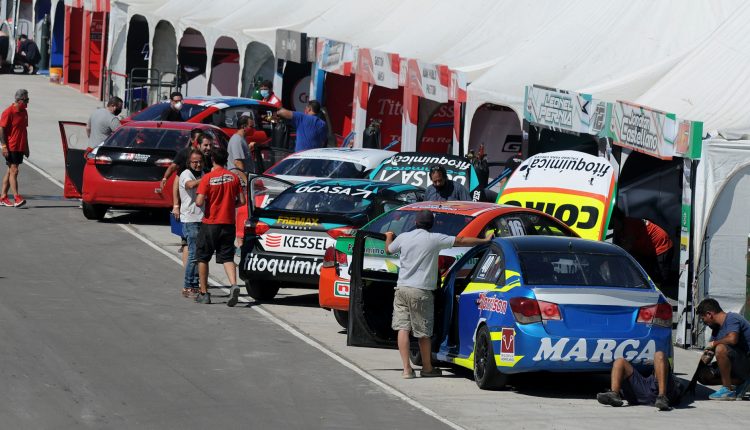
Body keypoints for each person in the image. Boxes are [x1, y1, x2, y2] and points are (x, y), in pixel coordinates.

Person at [384, 210, 492, 378]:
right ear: (431, 224)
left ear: (415, 222)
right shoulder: (434, 239)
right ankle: (427, 369)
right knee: (423, 333)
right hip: (421, 291)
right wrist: (484, 240)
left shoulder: (404, 237)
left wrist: (389, 236)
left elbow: (389, 250)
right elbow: (461, 241)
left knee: (403, 329)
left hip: (402, 289)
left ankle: (406, 369)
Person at [194, 147, 246, 306]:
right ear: (226, 160)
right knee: (227, 257)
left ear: (212, 160)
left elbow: (199, 201)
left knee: (203, 257)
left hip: (210, 223)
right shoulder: (234, 177)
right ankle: (234, 285)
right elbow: (242, 201)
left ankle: (204, 293)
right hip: (228, 223)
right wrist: (230, 205)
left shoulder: (208, 178)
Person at [164, 129, 205, 265]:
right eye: (204, 144)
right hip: (190, 213)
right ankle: (189, 276)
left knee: (199, 249)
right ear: (195, 142)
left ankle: (195, 277)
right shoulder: (186, 158)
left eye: (209, 144)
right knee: (189, 245)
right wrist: (176, 205)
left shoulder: (208, 160)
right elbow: (178, 180)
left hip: (203, 214)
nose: (207, 147)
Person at [695, 298, 750, 400]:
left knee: (721, 348)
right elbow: (710, 351)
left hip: (746, 361)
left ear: (709, 314)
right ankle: (741, 382)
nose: (704, 322)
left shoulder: (732, 318)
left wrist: (714, 343)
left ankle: (727, 390)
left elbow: (732, 339)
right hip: (738, 363)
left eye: (703, 319)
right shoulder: (716, 329)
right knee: (703, 375)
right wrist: (704, 359)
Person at [597, 351, 682, 411]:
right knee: (619, 361)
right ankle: (614, 394)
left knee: (659, 354)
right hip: (641, 391)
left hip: (663, 391)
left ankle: (662, 397)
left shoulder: (674, 382)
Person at [609, 207, 673, 285]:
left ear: (617, 219)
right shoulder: (621, 227)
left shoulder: (630, 225)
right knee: (646, 271)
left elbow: (626, 248)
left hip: (661, 246)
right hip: (647, 248)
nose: (612, 227)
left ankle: (661, 293)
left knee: (660, 275)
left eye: (612, 223)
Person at [179, 149, 205, 298]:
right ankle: (188, 285)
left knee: (199, 254)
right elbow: (190, 185)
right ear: (189, 162)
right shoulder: (185, 174)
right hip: (190, 219)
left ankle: (195, 284)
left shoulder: (202, 174)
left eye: (200, 161)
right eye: (195, 162)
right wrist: (208, 178)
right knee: (194, 254)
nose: (198, 164)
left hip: (202, 218)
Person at [0, 89, 30, 207]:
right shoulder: (8, 112)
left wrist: (26, 147)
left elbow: (24, 130)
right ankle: (17, 197)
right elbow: (1, 129)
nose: (27, 102)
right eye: (26, 100)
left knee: (10, 171)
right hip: (10, 146)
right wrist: (4, 146)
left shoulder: (24, 112)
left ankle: (3, 197)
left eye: (28, 99)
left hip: (20, 146)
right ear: (18, 100)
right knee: (14, 170)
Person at [227, 115, 254, 184]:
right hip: (240, 182)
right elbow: (238, 163)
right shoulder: (237, 140)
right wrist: (247, 183)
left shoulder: (242, 139)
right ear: (244, 126)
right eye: (251, 126)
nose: (253, 129)